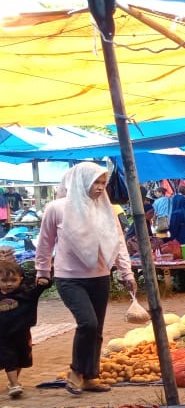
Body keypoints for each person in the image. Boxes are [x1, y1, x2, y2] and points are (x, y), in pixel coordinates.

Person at [35, 163, 135, 395]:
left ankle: (90, 376)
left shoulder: (105, 209)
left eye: (103, 183)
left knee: (97, 329)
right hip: (69, 278)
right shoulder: (57, 208)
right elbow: (45, 242)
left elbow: (117, 241)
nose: (100, 188)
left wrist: (126, 271)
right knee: (87, 323)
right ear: (81, 182)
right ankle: (76, 371)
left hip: (100, 276)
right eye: (95, 183)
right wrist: (42, 271)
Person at [0, 260, 49, 398]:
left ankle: (13, 382)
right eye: (4, 280)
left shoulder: (26, 293)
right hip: (3, 335)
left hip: (22, 332)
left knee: (21, 358)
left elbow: (39, 287)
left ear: (20, 279)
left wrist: (44, 281)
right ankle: (14, 384)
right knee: (9, 358)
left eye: (13, 280)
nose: (9, 284)